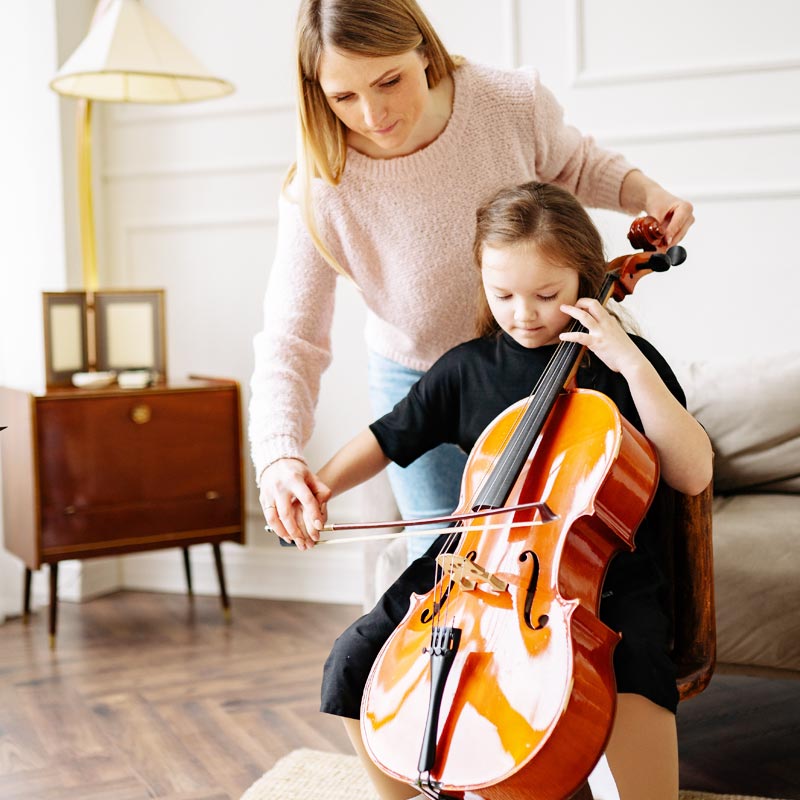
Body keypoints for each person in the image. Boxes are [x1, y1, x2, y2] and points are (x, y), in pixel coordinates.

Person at [295, 182, 713, 800]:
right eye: (503, 295)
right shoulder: (468, 367)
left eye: (546, 295)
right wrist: (320, 485)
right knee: (355, 658)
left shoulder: (625, 365)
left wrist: (629, 361)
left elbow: (693, 472)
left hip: (601, 572)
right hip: (473, 558)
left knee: (630, 661)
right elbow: (388, 436)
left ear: (585, 277)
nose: (524, 314)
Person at [249, 0, 696, 563]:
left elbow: (578, 165)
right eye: (343, 97)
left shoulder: (505, 101)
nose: (373, 114)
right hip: (419, 376)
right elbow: (291, 339)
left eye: (389, 81)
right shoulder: (320, 188)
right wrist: (279, 455)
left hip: (535, 361)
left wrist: (648, 194)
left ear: (423, 50)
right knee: (444, 567)